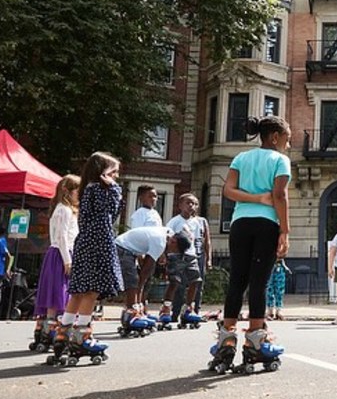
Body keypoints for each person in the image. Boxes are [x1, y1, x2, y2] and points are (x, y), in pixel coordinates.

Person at [208, 115, 290, 374]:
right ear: (275, 137)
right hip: (266, 225)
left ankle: (226, 340)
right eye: (286, 140)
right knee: (259, 283)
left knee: (237, 281)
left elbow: (228, 191)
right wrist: (285, 231)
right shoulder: (280, 160)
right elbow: (279, 195)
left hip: (240, 223)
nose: (287, 145)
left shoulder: (241, 158)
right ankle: (256, 340)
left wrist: (253, 198)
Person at [48, 152, 121, 366]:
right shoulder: (101, 190)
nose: (116, 176)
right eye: (113, 171)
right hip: (99, 242)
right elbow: (112, 212)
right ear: (103, 172)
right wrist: (114, 189)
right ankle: (82, 336)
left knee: (78, 291)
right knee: (91, 290)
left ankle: (63, 334)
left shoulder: (86, 189)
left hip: (84, 242)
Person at [30, 175, 80, 349]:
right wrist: (67, 260)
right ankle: (50, 326)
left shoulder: (67, 210)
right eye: (77, 191)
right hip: (60, 253)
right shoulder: (63, 210)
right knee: (56, 292)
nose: (79, 195)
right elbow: (62, 237)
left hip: (63, 252)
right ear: (67, 191)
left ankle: (49, 326)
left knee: (60, 292)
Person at [115, 226, 192, 332]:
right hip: (122, 248)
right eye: (176, 250)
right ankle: (131, 314)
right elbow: (147, 268)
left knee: (139, 282)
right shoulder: (159, 242)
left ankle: (138, 311)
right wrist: (140, 285)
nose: (173, 252)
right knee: (133, 281)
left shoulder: (168, 233)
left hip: (129, 249)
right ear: (174, 242)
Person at [167, 193, 212, 318]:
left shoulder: (200, 222)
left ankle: (193, 311)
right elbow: (167, 238)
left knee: (197, 283)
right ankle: (175, 312)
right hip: (180, 256)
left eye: (195, 204)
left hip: (197, 255)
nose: (192, 206)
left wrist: (209, 258)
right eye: (188, 203)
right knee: (179, 284)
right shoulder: (174, 221)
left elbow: (206, 240)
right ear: (180, 205)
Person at [127, 184, 163, 320]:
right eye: (150, 196)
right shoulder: (139, 214)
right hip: (143, 250)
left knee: (147, 281)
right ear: (141, 198)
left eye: (155, 196)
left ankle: (143, 306)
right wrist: (140, 253)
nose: (154, 199)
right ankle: (136, 307)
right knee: (139, 281)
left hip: (152, 252)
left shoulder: (155, 214)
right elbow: (136, 232)